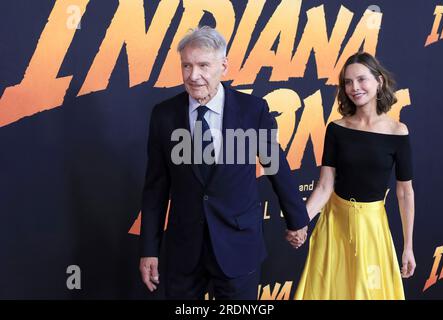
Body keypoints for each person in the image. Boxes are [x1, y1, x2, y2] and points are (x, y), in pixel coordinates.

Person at [139, 26, 309, 300]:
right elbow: (155, 189)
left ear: (224, 66)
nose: (194, 76)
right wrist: (149, 248)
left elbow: (275, 164)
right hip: (185, 250)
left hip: (239, 244)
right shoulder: (164, 116)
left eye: (203, 65)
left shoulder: (252, 110)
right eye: (187, 66)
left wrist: (297, 219)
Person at [291, 52, 416, 300]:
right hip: (333, 225)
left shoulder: (397, 132)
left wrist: (408, 247)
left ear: (379, 81)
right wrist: (300, 222)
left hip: (372, 227)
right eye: (347, 82)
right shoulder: (337, 129)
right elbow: (325, 187)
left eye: (361, 79)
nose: (354, 88)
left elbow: (405, 192)